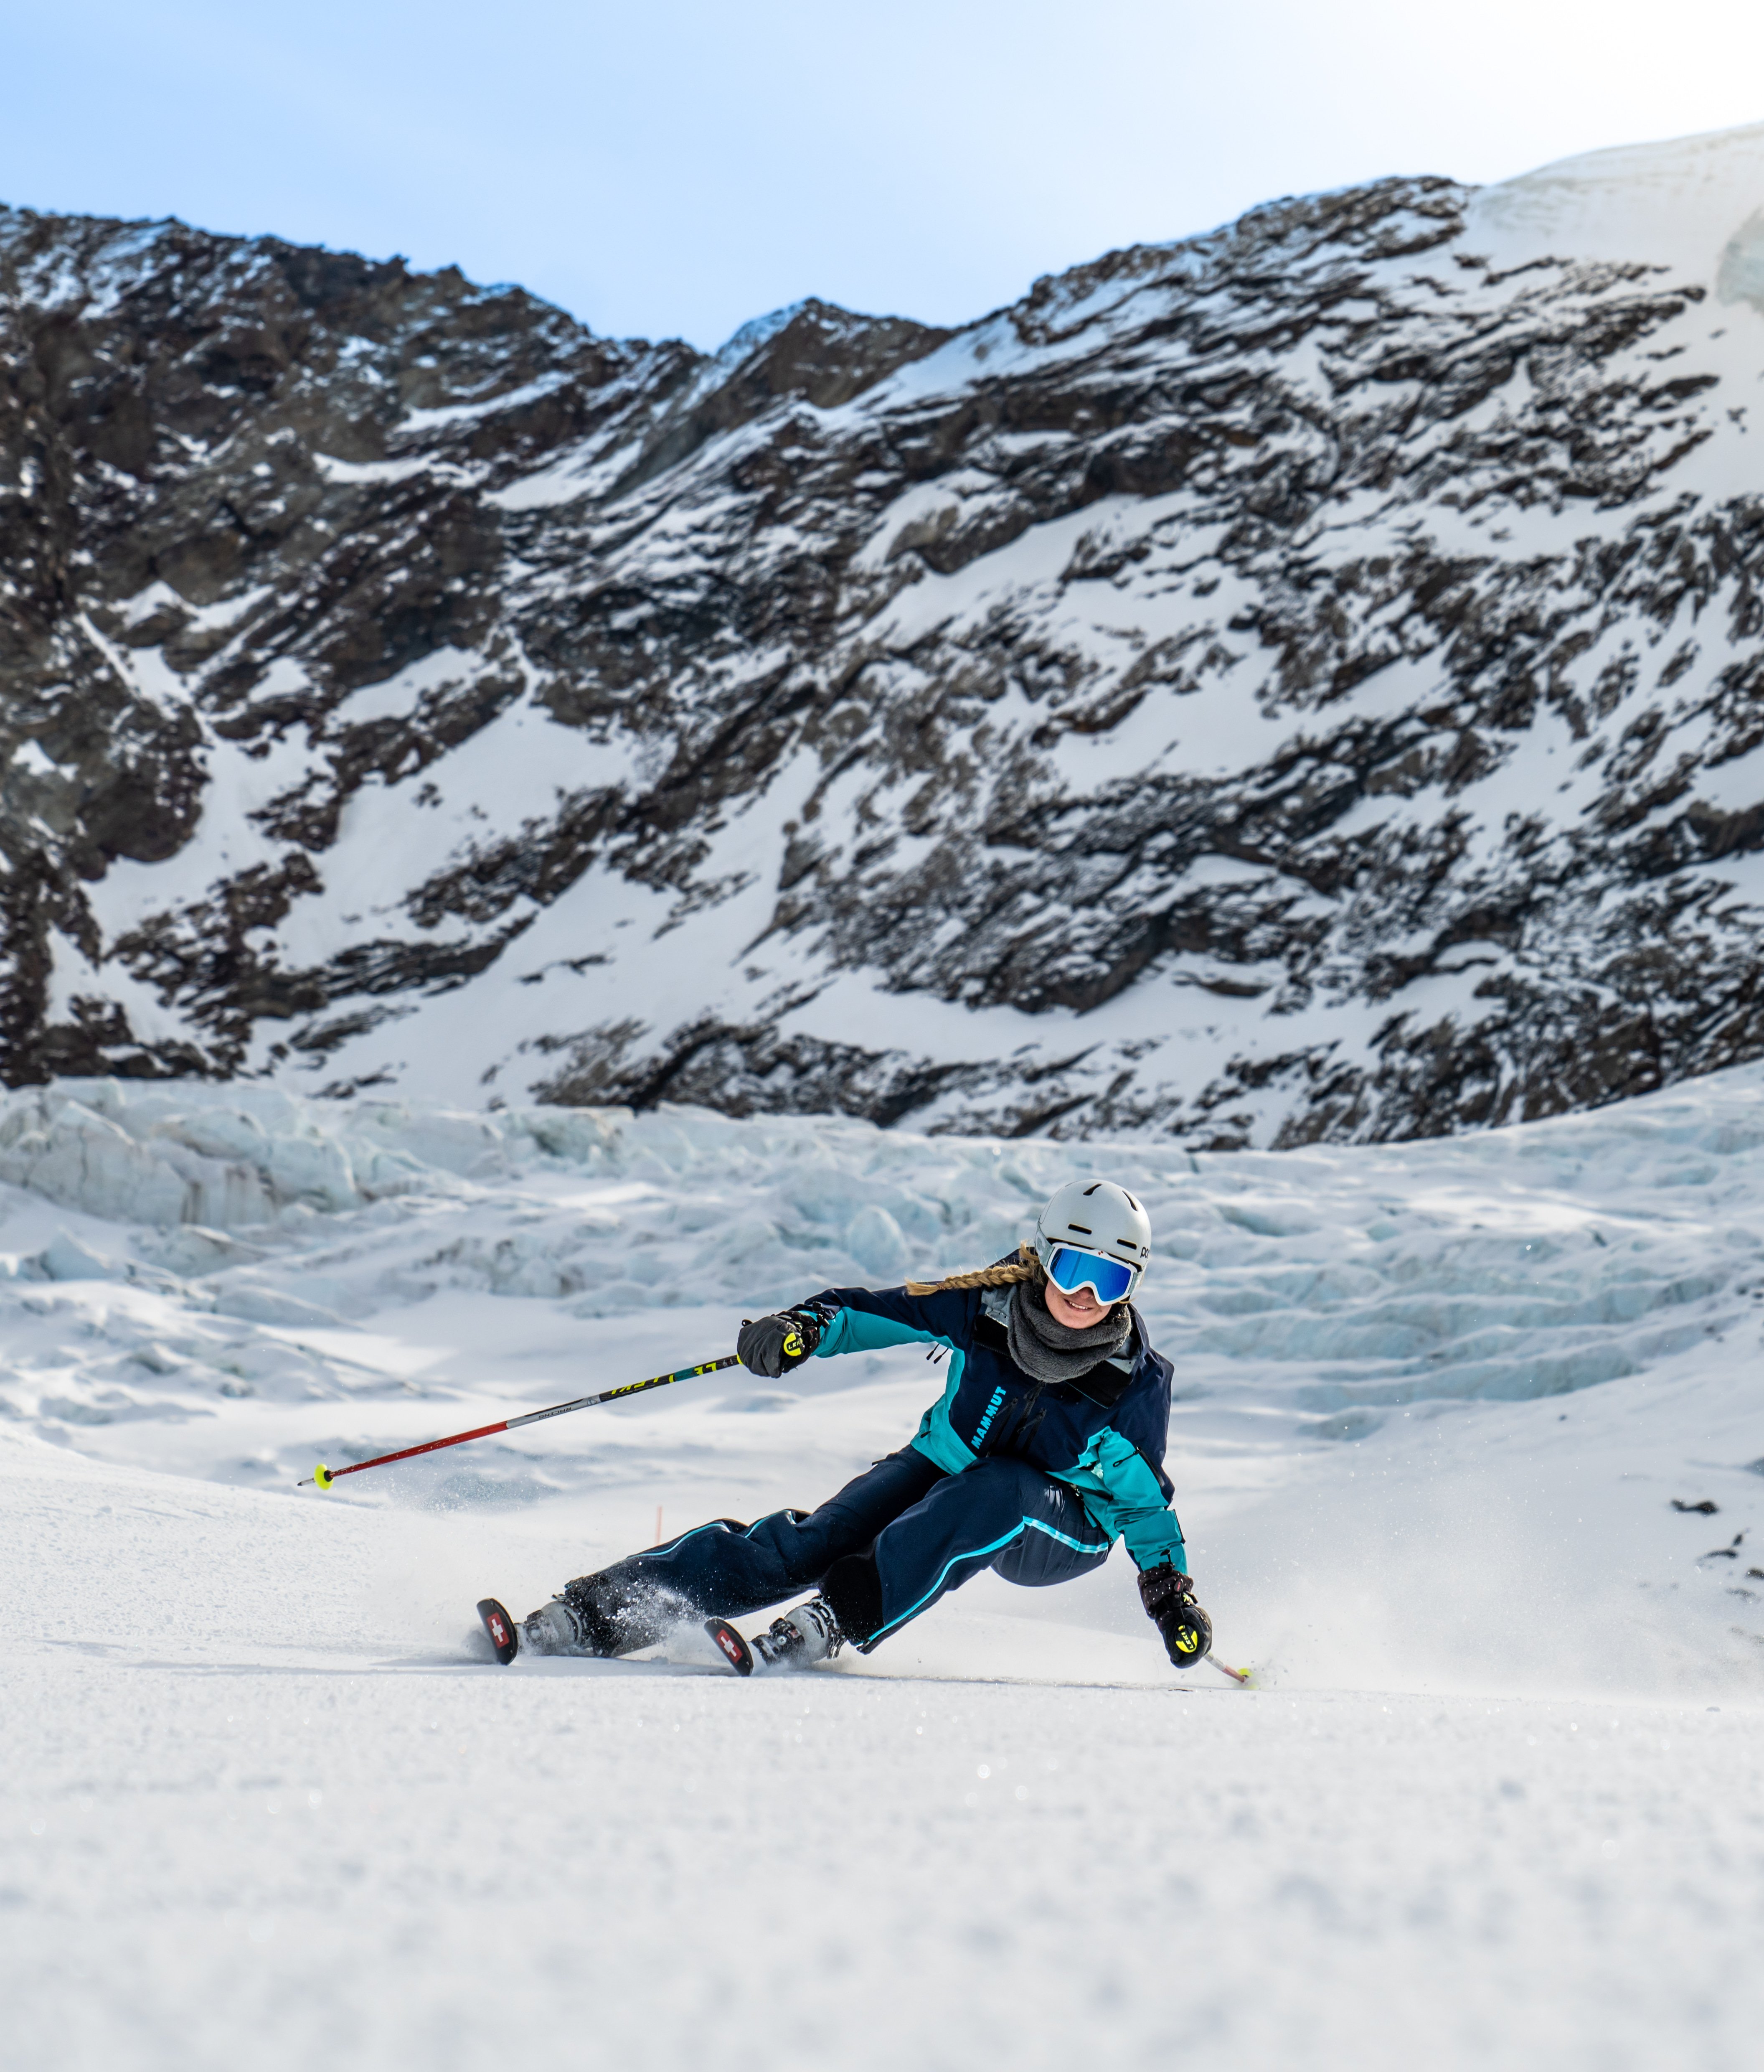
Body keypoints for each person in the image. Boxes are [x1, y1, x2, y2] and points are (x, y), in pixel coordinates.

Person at [503, 1178, 1212, 1672]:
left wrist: (1169, 1594)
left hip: (1061, 1525)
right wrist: (801, 1328)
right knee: (812, 1543)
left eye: (1111, 1280)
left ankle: (836, 1619)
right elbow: (876, 1312)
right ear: (1042, 1258)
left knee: (1001, 1489)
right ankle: (596, 1615)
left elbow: (1143, 1505)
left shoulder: (1135, 1384)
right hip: (949, 1465)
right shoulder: (986, 1307)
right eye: (1075, 1268)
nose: (1087, 1295)